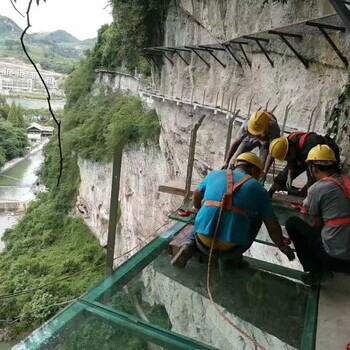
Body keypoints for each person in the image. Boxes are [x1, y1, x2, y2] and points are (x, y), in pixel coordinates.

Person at [171, 152, 295, 268]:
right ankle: (231, 258)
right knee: (258, 218)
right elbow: (272, 226)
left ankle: (188, 244)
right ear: (253, 170)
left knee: (206, 211)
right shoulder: (259, 189)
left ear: (236, 165)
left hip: (202, 242)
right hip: (230, 248)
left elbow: (197, 195)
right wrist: (282, 246)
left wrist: (198, 208)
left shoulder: (214, 174)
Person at [285, 145, 350, 285]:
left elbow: (317, 225)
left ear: (313, 168)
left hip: (335, 259)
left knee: (292, 223)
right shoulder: (346, 180)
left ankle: (314, 272)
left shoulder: (316, 189)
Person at [267, 131, 340, 197]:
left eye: (287, 158)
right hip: (305, 155)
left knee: (317, 185)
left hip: (327, 158)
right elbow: (291, 161)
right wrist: (289, 175)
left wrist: (304, 193)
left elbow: (312, 177)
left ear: (291, 150)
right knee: (283, 176)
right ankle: (269, 192)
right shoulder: (286, 143)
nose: (288, 160)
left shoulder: (312, 143)